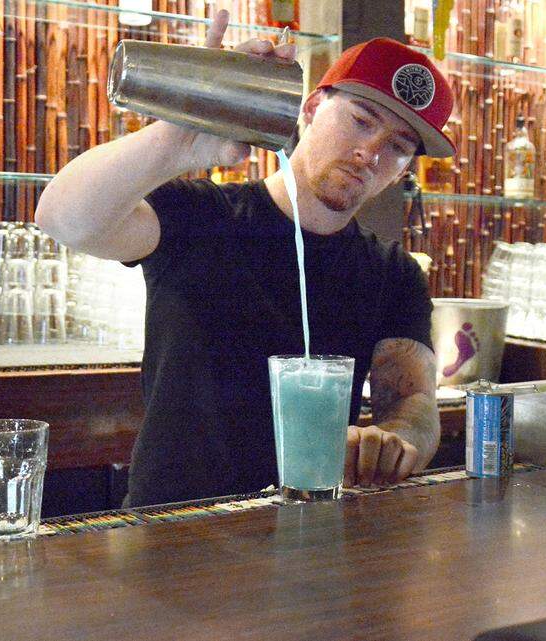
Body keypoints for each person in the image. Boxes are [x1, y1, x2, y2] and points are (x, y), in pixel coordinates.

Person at [37, 10, 454, 506]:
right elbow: (63, 219)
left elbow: (413, 400)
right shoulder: (202, 217)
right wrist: (176, 138)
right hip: (172, 528)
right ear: (312, 108)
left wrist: (396, 440)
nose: (370, 152)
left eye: (398, 147)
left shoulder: (393, 274)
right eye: (361, 121)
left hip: (305, 525)